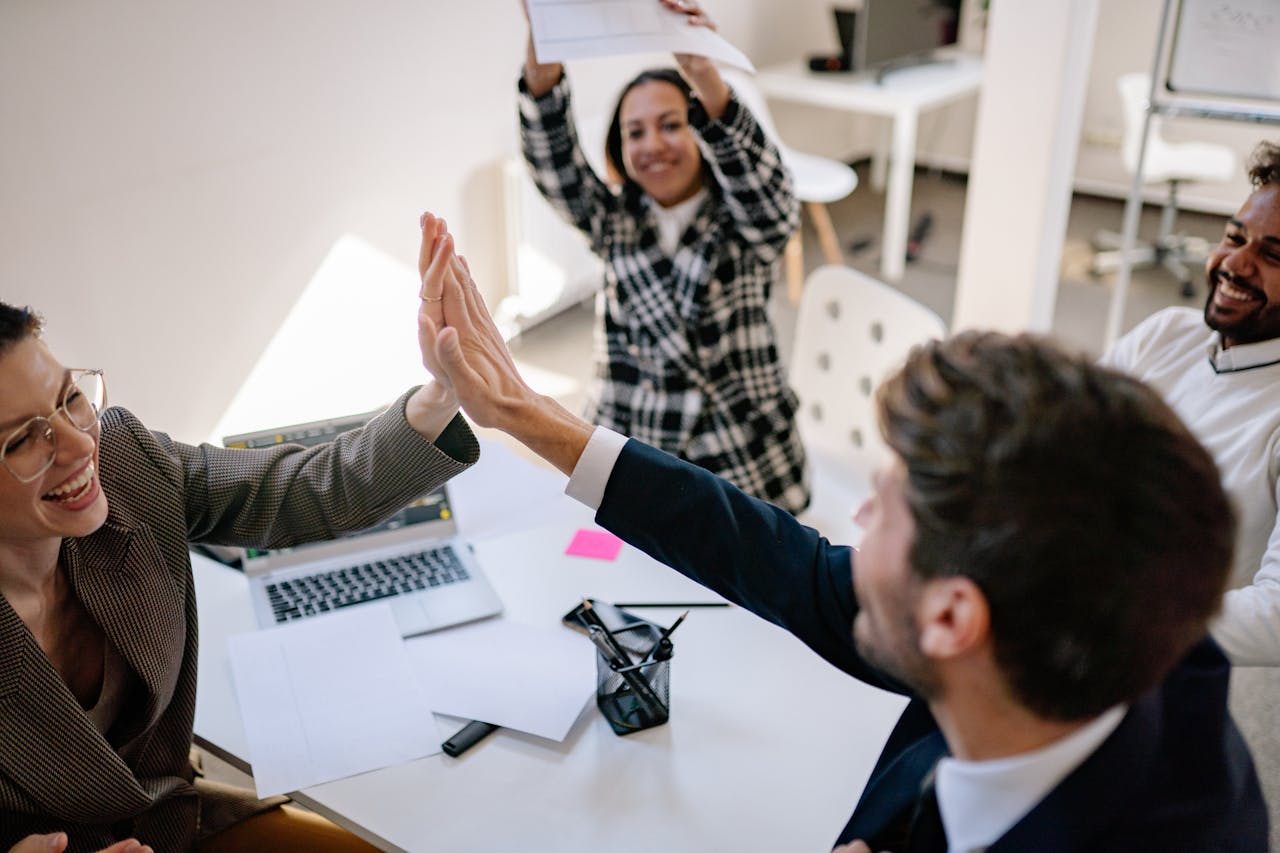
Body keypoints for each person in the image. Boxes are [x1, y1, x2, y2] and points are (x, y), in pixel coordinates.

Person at [415, 218, 1267, 850]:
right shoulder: (1105, 655)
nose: (857, 514)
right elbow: (782, 559)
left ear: (952, 618)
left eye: (889, 506)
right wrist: (534, 420)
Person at [0, 216, 478, 852]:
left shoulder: (126, 462)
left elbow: (301, 491)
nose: (78, 444)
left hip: (178, 825)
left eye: (69, 400)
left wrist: (439, 395)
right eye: (24, 440)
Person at [518, 0, 809, 513]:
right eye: (635, 131)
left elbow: (770, 195)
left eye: (671, 124)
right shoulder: (611, 219)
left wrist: (701, 70)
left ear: (702, 131)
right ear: (619, 149)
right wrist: (545, 55)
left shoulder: (744, 220)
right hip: (640, 439)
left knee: (750, 574)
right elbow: (554, 162)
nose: (653, 144)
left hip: (742, 445)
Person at [1101, 139, 1280, 846]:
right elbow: (1052, 450)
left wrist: (1118, 619)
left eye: (1274, 254)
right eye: (1235, 236)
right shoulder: (1164, 336)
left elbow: (1278, 611)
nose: (1234, 264)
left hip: (1156, 677)